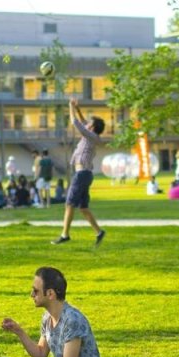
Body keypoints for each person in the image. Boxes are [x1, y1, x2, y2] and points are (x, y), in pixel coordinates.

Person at [0, 267, 117, 357]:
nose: (31, 295)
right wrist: (19, 332)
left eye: (35, 291)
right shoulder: (47, 318)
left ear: (50, 294)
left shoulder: (72, 320)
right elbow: (40, 355)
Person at [52, 98, 105, 247]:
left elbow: (75, 122)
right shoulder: (91, 135)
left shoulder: (91, 136)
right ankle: (99, 232)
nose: (86, 123)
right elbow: (82, 121)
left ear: (92, 128)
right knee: (83, 207)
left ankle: (65, 235)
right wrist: (78, 108)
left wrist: (70, 107)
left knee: (69, 204)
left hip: (82, 174)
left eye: (89, 123)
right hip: (85, 174)